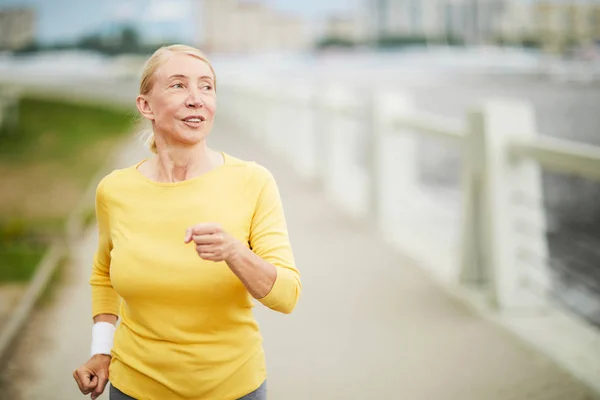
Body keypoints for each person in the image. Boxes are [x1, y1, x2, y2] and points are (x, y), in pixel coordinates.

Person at [72, 44, 301, 400]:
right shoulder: (115, 190)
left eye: (206, 86)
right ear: (145, 105)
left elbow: (286, 296)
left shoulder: (253, 182)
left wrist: (235, 252)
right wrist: (101, 351)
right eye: (178, 85)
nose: (197, 99)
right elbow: (104, 274)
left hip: (233, 388)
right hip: (135, 388)